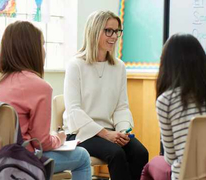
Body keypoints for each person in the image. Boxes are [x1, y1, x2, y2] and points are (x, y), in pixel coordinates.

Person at [0, 21, 92, 180]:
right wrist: (59, 138)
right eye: (42, 45)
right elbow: (43, 142)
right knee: (82, 157)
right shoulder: (40, 86)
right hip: (17, 162)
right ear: (32, 50)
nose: (44, 51)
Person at [141, 33, 206, 180]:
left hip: (190, 176)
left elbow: (170, 157)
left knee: (151, 166)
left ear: (167, 64)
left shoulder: (167, 100)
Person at [63, 10, 148, 180]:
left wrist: (123, 130)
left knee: (140, 152)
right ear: (94, 31)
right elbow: (74, 111)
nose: (114, 36)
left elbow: (121, 106)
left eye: (117, 31)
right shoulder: (76, 65)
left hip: (111, 131)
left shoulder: (119, 67)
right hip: (81, 132)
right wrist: (105, 134)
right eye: (108, 31)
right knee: (116, 154)